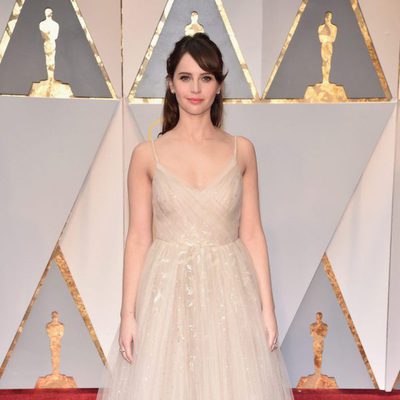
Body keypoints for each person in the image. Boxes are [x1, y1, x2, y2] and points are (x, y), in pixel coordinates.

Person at [97, 32, 293, 400]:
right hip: (166, 292)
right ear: (171, 84)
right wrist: (128, 314)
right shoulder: (146, 155)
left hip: (230, 292)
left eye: (206, 77)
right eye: (185, 77)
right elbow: (139, 238)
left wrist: (268, 310)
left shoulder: (242, 151)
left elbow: (252, 233)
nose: (196, 87)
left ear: (219, 86)